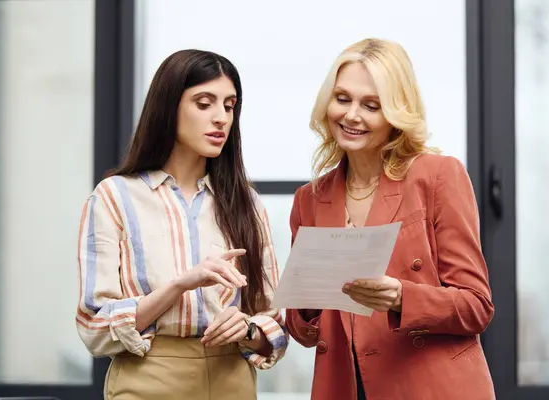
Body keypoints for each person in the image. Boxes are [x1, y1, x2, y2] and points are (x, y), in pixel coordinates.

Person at [286, 38, 495, 400]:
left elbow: (476, 306)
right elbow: (303, 330)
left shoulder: (438, 176)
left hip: (432, 388)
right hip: (346, 386)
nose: (352, 115)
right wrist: (308, 297)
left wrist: (402, 297)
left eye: (372, 105)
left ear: (396, 114)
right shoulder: (310, 199)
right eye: (342, 99)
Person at [76, 49, 288, 400]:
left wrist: (248, 329)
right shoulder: (115, 197)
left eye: (229, 106)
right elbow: (94, 327)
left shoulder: (246, 203)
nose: (220, 117)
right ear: (168, 107)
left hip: (231, 379)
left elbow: (275, 322)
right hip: (147, 378)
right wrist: (178, 285)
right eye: (204, 104)